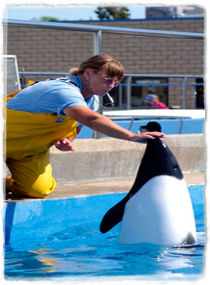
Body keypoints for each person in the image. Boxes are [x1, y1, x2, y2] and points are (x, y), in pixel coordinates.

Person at [0, 54, 165, 199]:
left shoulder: (91, 100)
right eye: (108, 80)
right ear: (88, 73)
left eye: (116, 83)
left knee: (38, 191)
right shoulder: (62, 90)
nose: (112, 86)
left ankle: (6, 184)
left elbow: (76, 127)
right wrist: (132, 136)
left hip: (29, 153)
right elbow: (91, 120)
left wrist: (65, 139)